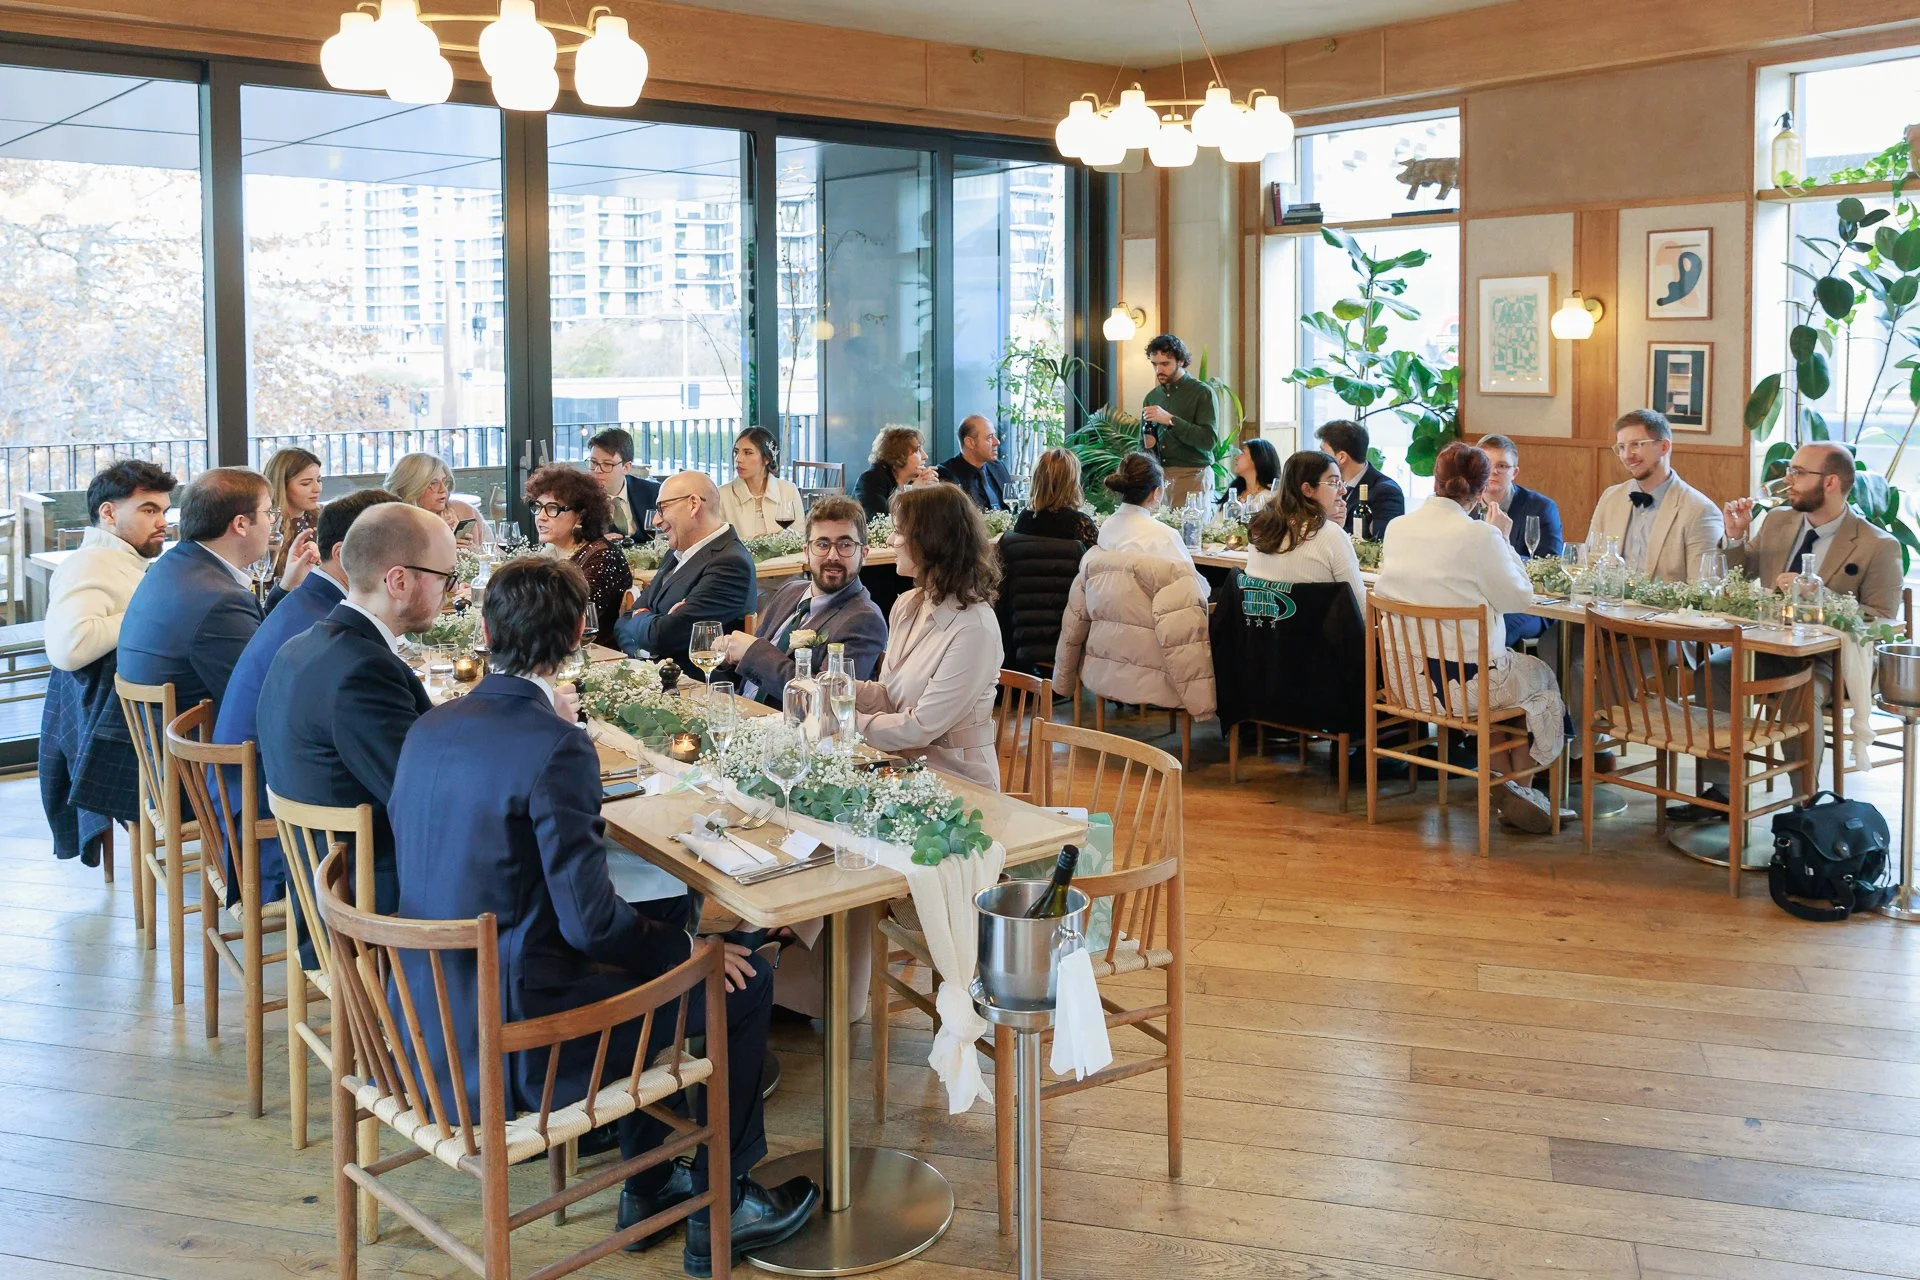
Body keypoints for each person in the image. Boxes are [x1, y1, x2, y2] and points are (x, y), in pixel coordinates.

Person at [386, 558, 817, 1270]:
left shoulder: (430, 726)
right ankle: (725, 1206)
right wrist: (692, 953)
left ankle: (646, 1190)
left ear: (487, 632)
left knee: (666, 926)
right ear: (581, 635)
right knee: (738, 981)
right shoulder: (556, 746)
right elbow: (592, 927)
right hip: (521, 1045)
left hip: (425, 1019)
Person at [1678, 442, 1903, 822]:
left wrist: (1822, 597)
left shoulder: (1877, 544)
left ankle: (1805, 810)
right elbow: (1741, 573)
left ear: (1831, 482)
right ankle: (1721, 791)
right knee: (1714, 671)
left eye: (1799, 472)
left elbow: (1881, 620)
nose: (1788, 480)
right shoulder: (1780, 520)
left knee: (1801, 692)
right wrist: (1734, 537)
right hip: (1769, 646)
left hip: (1829, 661)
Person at [255, 504, 450, 919]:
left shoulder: (303, 644)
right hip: (366, 910)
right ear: (399, 580)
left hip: (321, 888)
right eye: (444, 579)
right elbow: (425, 800)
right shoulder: (365, 671)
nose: (447, 592)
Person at [213, 488, 399, 904]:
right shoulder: (325, 627)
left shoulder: (309, 604)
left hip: (263, 801)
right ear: (345, 554)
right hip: (278, 839)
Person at [1374, 442, 1567, 834]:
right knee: (1541, 683)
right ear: (1481, 493)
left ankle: (1508, 789)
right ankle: (1521, 794)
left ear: (1435, 480)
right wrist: (1502, 539)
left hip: (1407, 684)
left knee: (1514, 682)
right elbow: (1519, 599)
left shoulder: (1398, 527)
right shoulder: (1480, 535)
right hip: (1465, 691)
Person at [39, 459, 177, 866]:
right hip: (116, 736)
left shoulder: (125, 561)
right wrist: (148, 609)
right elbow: (68, 648)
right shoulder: (90, 564)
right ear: (109, 512)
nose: (162, 522)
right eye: (149, 510)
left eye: (164, 511)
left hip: (117, 724)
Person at [118, 467, 316, 723]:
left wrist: (286, 588)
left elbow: (253, 649)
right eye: (269, 513)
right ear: (241, 524)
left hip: (162, 742)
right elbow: (266, 692)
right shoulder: (220, 600)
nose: (272, 524)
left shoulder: (174, 564)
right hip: (203, 753)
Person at [853, 484, 1005, 788]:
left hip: (959, 780)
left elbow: (921, 726)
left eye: (899, 531)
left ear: (931, 542)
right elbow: (891, 697)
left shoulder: (975, 628)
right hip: (901, 768)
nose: (890, 540)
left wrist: (843, 723)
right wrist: (840, 691)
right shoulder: (908, 604)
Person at [718, 495, 887, 706]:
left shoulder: (864, 620)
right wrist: (726, 656)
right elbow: (754, 672)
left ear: (864, 553)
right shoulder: (790, 591)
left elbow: (826, 701)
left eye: (845, 544)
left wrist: (752, 652)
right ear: (806, 552)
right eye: (822, 544)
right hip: (742, 711)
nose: (832, 555)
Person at [614, 470, 756, 673]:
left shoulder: (730, 564)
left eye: (662, 508)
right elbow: (622, 623)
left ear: (693, 504)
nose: (655, 521)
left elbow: (665, 636)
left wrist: (646, 622)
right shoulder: (677, 553)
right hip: (656, 681)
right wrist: (652, 626)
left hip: (698, 690)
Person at [1586, 409, 1723, 582]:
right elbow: (1590, 566)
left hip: (1667, 609)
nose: (1627, 456)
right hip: (1607, 606)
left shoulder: (1700, 510)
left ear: (1664, 447)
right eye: (1621, 447)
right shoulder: (1610, 498)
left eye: (1636, 444)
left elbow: (1702, 590)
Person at [1244, 450, 1365, 615]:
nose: (1343, 490)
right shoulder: (1329, 534)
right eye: (1334, 483)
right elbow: (1360, 608)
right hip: (1317, 639)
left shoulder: (1260, 528)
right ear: (1307, 489)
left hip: (1262, 637)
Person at [526, 462, 632, 650]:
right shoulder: (551, 553)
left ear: (580, 516)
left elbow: (570, 620)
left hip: (594, 657)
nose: (540, 516)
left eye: (552, 509)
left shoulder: (602, 557)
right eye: (538, 507)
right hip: (550, 649)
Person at [1479, 433, 1564, 649]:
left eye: (1502, 466)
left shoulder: (1541, 507)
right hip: (1480, 599)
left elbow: (1550, 566)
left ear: (1514, 472)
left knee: (1490, 630)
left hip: (1530, 605)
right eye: (1486, 464)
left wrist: (1502, 550)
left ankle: (1496, 681)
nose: (1493, 471)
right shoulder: (1465, 505)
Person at [1096, 451, 1210, 599]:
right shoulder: (1163, 535)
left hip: (1106, 616)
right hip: (1152, 617)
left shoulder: (1106, 527)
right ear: (1156, 492)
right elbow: (1196, 590)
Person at [1139, 333, 1216, 506]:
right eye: (1154, 364)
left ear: (1180, 361)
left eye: (1165, 364)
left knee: (1189, 531)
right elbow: (1142, 444)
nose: (1159, 370)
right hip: (1159, 477)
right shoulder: (1152, 397)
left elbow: (1208, 440)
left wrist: (1170, 420)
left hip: (1192, 475)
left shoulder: (1202, 392)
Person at [1315, 419, 1404, 541]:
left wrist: (1330, 525)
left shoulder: (1386, 492)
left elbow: (1376, 541)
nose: (1320, 459)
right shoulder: (1330, 486)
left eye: (1323, 453)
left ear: (1341, 457)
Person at [385, 452, 488, 551]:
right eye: (434, 483)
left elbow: (497, 557)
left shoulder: (465, 511)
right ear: (411, 488)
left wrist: (474, 552)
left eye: (444, 482)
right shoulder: (393, 525)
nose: (443, 489)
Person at [716, 426, 805, 540]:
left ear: (766, 458)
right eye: (736, 452)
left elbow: (800, 537)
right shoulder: (721, 495)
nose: (738, 459)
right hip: (739, 558)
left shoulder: (788, 490)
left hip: (786, 557)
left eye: (748, 453)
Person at [1013, 447, 1099, 548]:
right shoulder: (1080, 523)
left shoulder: (1024, 518)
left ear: (1037, 481)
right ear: (1072, 483)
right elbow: (1094, 561)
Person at [588, 426, 660, 543]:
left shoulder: (652, 493)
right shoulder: (580, 499)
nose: (597, 470)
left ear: (626, 467)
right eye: (593, 462)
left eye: (607, 464)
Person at [854, 426, 939, 521]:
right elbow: (881, 521)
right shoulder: (870, 480)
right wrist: (912, 492)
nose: (925, 456)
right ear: (898, 454)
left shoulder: (916, 481)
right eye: (917, 450)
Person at [263, 447, 324, 576]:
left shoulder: (324, 518)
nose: (317, 488)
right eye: (306, 484)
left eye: (319, 480)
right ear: (282, 486)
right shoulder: (265, 525)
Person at [937, 415, 1012, 511]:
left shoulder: (998, 467)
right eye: (989, 437)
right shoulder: (946, 473)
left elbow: (1013, 508)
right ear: (970, 442)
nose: (997, 442)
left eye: (995, 436)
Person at [1223, 437, 1281, 514]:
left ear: (1257, 459)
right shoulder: (1234, 492)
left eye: (1243, 452)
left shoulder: (1268, 497)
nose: (1236, 457)